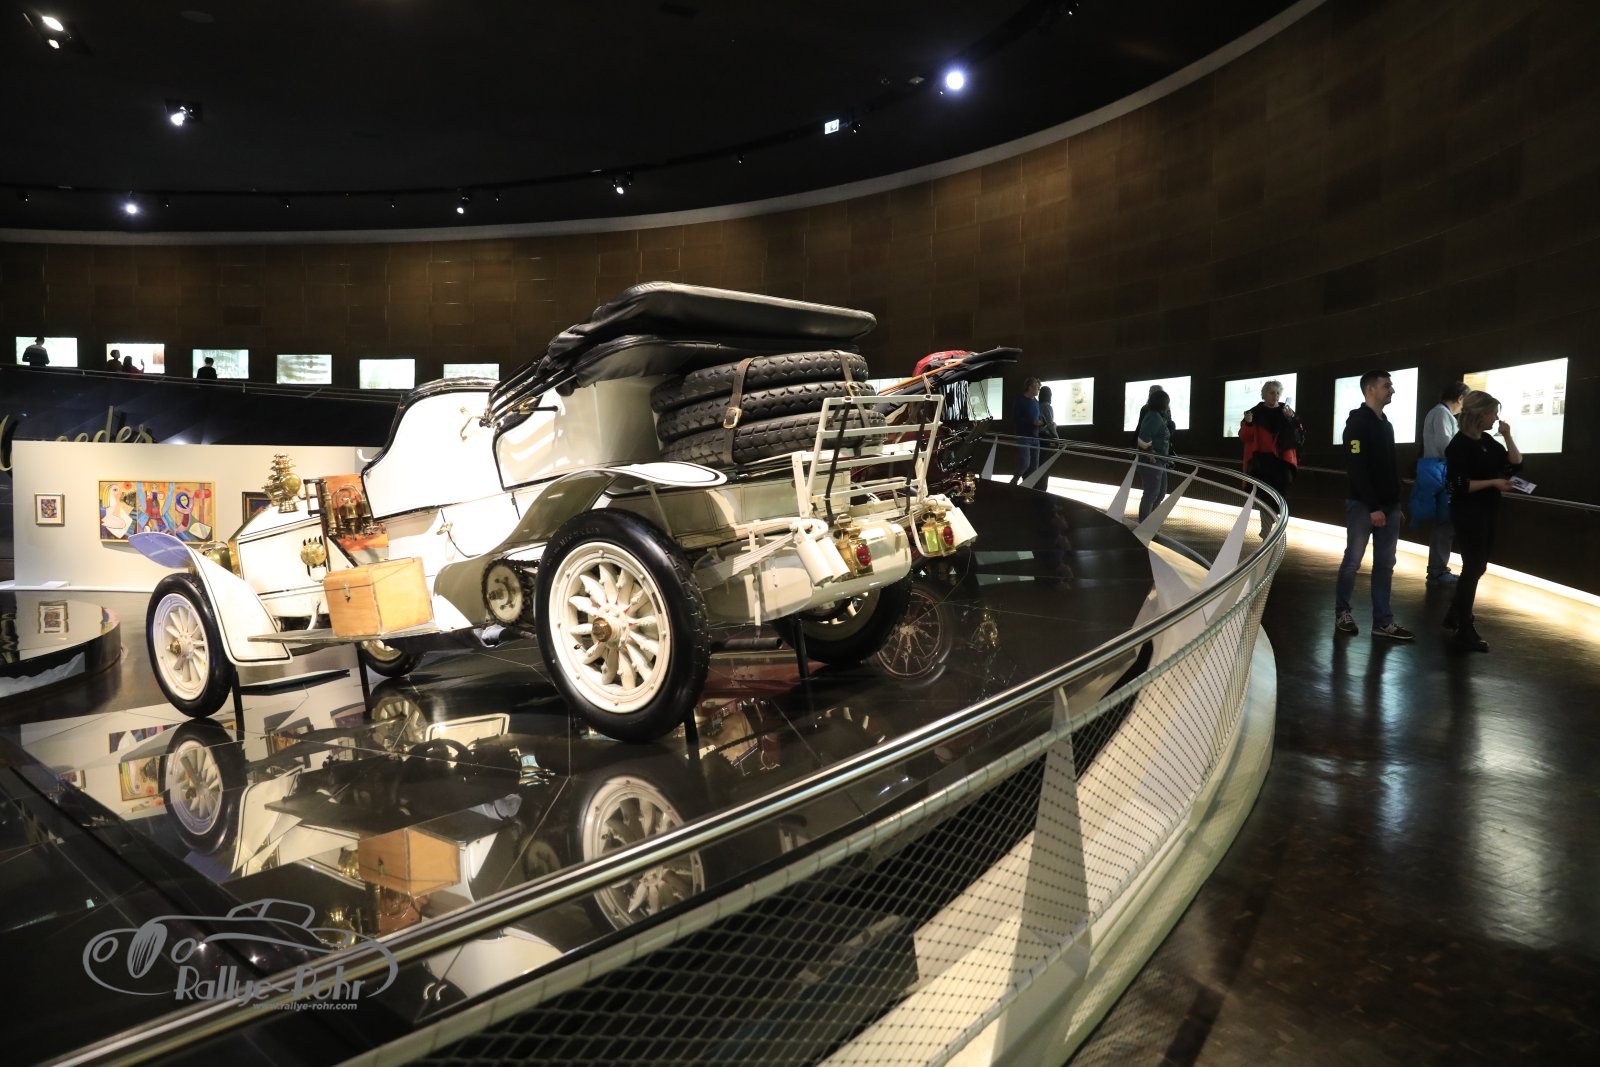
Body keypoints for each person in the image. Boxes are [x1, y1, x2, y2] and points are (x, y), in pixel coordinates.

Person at [1334, 369, 1414, 641]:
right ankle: (1342, 612)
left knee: (1385, 564)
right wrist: (1373, 507)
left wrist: (1395, 504)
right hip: (1363, 505)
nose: (1392, 390)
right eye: (1386, 385)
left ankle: (1383, 621)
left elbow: (1390, 467)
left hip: (1388, 506)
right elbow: (1357, 468)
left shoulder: (1385, 425)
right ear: (1370, 389)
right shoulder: (1357, 424)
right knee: (1352, 561)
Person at [1443, 390, 1522, 653]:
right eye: (1493, 413)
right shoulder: (1459, 445)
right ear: (1480, 414)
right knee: (1474, 566)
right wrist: (1494, 482)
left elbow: (1514, 464)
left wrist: (1507, 436)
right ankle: (1464, 626)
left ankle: (1456, 614)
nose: (1496, 418)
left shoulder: (1487, 441)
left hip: (1488, 510)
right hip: (1468, 512)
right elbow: (1457, 484)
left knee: (1478, 566)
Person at [1414, 381, 1469, 585]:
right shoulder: (1442, 414)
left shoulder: (1438, 412)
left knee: (1443, 523)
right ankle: (1437, 571)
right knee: (1444, 524)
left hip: (1436, 471)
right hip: (1443, 473)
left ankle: (1437, 569)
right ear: (1460, 397)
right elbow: (1446, 445)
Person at [1239, 379, 1301, 536]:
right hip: (1262, 461)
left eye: (1278, 393)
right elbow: (1244, 437)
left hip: (1283, 462)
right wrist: (1248, 423)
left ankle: (1273, 526)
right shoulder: (1254, 413)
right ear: (1264, 394)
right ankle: (1266, 530)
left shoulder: (1287, 411)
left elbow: (1299, 434)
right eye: (1272, 393)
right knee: (1265, 496)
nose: (1276, 396)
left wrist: (1291, 418)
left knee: (1281, 496)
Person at [1136, 388, 1172, 522]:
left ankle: (1148, 523)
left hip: (1160, 461)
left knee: (1160, 493)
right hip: (1152, 462)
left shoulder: (1158, 416)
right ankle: (1144, 525)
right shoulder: (1153, 417)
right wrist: (1151, 454)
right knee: (1151, 494)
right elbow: (1143, 439)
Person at [1011, 377, 1042, 483]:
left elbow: (1038, 417)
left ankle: (1027, 485)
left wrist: (1042, 423)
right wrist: (1031, 422)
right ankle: (1013, 482)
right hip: (1024, 437)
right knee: (1025, 463)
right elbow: (1015, 419)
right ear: (1030, 388)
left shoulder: (1036, 402)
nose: (1038, 390)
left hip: (1035, 437)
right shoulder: (1019, 401)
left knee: (1034, 466)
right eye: (1037, 387)